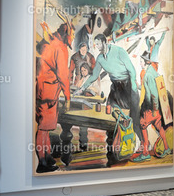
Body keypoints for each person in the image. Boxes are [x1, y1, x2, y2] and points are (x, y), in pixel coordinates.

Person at [77, 34, 144, 150]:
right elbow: (94, 76)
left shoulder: (119, 51)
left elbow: (132, 70)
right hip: (115, 88)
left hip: (128, 87)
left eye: (98, 44)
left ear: (104, 42)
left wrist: (133, 87)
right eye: (96, 44)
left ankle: (143, 145)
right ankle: (114, 147)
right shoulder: (100, 58)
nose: (97, 46)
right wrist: (82, 89)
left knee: (134, 119)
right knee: (111, 115)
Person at [35, 19, 74, 173]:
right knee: (43, 129)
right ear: (67, 34)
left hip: (41, 90)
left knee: (44, 127)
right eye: (72, 34)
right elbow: (63, 76)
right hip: (49, 93)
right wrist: (68, 97)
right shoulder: (60, 48)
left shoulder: (50, 43)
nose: (72, 37)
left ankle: (47, 156)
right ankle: (42, 162)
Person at [134, 51, 172, 162]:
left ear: (146, 62)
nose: (140, 63)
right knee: (159, 127)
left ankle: (145, 153)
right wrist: (139, 86)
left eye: (141, 61)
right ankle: (166, 148)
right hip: (157, 108)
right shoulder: (153, 72)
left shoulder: (147, 75)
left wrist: (154, 109)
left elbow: (153, 94)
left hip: (150, 109)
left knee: (142, 126)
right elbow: (151, 88)